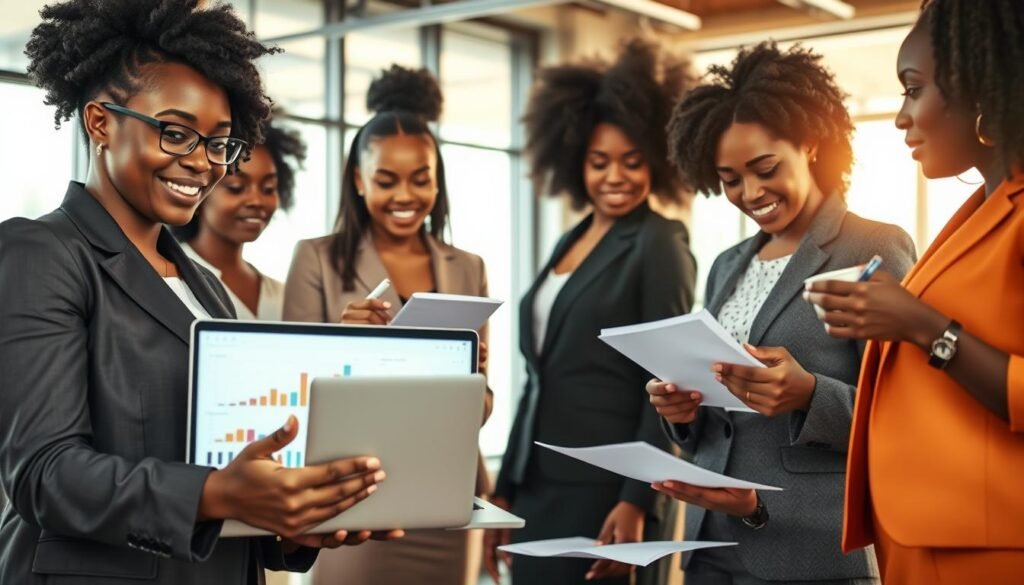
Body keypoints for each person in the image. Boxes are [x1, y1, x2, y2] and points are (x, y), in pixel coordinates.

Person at [0, 1, 400, 583]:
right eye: (176, 133)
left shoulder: (203, 286)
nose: (203, 163)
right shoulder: (43, 253)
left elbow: (223, 478)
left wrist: (291, 523)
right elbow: (45, 473)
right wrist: (217, 494)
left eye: (220, 143)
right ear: (100, 122)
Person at [649, 42, 917, 585]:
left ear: (812, 143)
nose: (750, 193)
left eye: (765, 168)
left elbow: (908, 414)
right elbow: (717, 417)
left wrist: (809, 395)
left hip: (811, 548)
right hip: (711, 542)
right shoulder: (727, 264)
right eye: (729, 179)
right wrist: (681, 412)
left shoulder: (875, 248)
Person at [806, 1, 1024, 583]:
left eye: (912, 89)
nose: (903, 116)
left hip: (986, 549)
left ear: (980, 91)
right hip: (926, 532)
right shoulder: (978, 209)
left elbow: (938, 334)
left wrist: (922, 325)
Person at [485, 39, 697, 585]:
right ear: (576, 160)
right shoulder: (569, 243)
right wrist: (506, 486)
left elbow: (667, 379)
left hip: (605, 492)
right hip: (537, 483)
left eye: (632, 161)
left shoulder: (658, 243)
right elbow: (540, 378)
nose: (615, 177)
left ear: (656, 158)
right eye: (599, 162)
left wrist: (637, 500)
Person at [283, 65, 489, 585]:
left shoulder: (467, 267)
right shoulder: (315, 260)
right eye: (386, 179)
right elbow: (296, 397)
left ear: (438, 182)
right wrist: (344, 343)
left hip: (448, 495)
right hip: (355, 498)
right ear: (358, 179)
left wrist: (469, 380)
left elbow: (482, 409)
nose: (406, 196)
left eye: (421, 179)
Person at [173, 119, 307, 320]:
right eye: (236, 187)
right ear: (200, 188)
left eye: (268, 188)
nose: (256, 201)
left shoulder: (282, 295)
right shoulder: (170, 276)